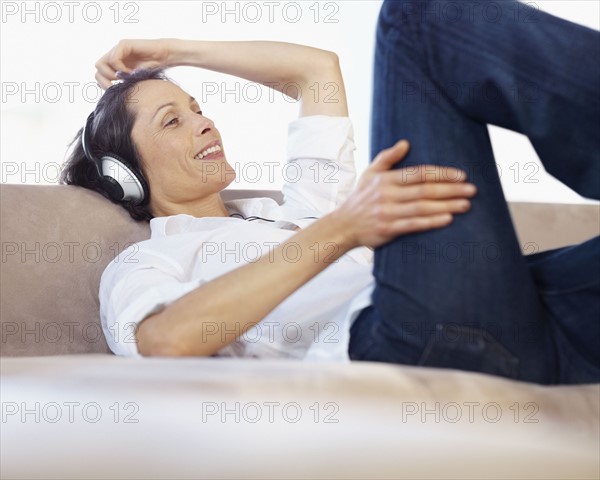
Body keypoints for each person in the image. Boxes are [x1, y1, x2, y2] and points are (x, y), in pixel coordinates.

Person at [60, 0, 599, 385]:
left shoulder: (288, 213)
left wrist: (174, 50)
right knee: (413, 19)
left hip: (525, 323)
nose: (205, 125)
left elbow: (316, 72)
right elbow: (166, 342)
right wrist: (344, 228)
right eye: (171, 122)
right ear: (124, 173)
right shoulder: (148, 258)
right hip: (404, 337)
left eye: (199, 110)